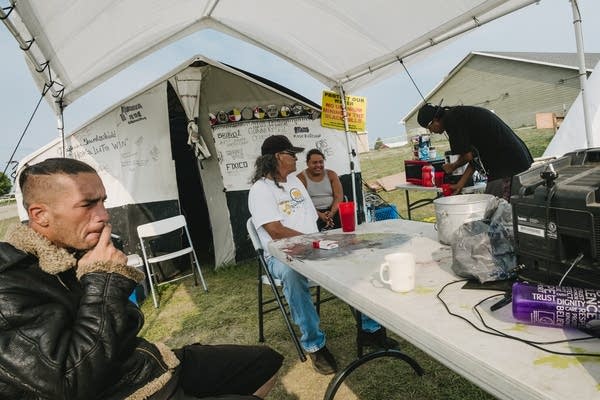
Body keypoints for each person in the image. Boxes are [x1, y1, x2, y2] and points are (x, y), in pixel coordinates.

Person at [0, 157, 283, 400]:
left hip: (139, 365)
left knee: (265, 362)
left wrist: (107, 282)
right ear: (40, 215)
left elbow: (130, 321)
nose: (103, 216)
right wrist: (103, 280)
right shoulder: (9, 284)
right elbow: (70, 380)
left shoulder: (75, 251)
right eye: (88, 205)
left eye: (103, 202)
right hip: (118, 391)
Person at [248, 135, 398, 376]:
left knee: (356, 257)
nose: (296, 158)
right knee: (292, 273)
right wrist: (312, 241)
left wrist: (328, 222)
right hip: (281, 255)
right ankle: (314, 343)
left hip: (313, 247)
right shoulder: (260, 190)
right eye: (292, 153)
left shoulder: (295, 184)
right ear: (278, 157)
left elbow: (311, 214)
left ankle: (370, 329)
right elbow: (275, 231)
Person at [417, 103, 533, 200]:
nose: (431, 132)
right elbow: (473, 157)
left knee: (497, 211)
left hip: (508, 166)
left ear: (435, 121)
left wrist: (453, 166)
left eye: (429, 128)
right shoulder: (460, 115)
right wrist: (460, 184)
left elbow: (467, 157)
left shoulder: (453, 121)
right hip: (517, 160)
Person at [297, 149, 343, 230]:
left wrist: (331, 213)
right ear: (307, 163)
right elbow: (303, 202)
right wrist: (319, 215)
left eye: (321, 162)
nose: (318, 165)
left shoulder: (331, 174)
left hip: (332, 210)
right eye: (314, 162)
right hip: (312, 213)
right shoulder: (301, 178)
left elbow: (338, 196)